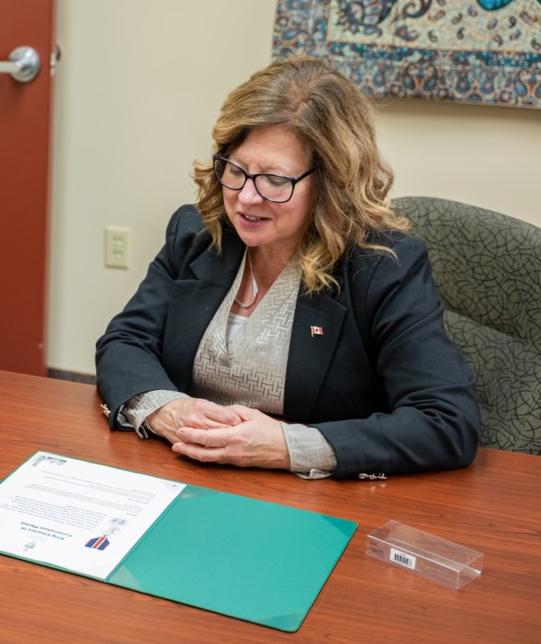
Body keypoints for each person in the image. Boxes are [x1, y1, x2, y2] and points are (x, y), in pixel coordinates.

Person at [96, 56, 479, 480]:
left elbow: (446, 422)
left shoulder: (382, 268)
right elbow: (124, 341)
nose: (245, 198)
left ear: (331, 183)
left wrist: (285, 446)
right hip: (181, 474)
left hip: (314, 504)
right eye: (237, 171)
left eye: (275, 180)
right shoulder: (197, 235)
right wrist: (167, 409)